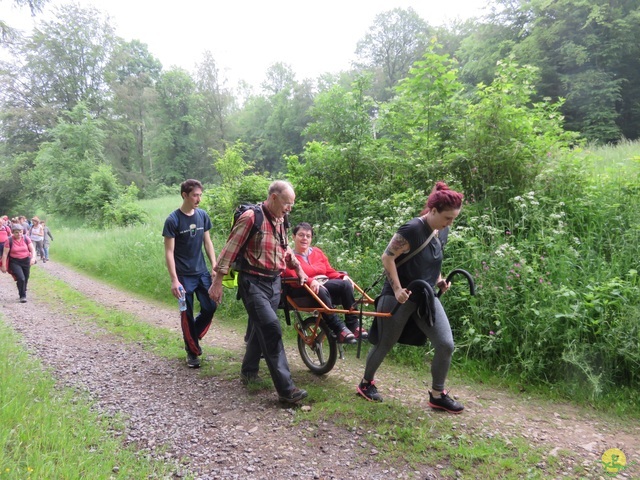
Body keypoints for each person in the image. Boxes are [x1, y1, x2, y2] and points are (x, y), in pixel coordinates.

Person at [356, 181, 465, 414]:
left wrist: (439, 280)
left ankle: (437, 395)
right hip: (398, 297)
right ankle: (366, 383)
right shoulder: (412, 230)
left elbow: (432, 262)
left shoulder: (441, 230)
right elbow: (387, 258)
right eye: (448, 218)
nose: (450, 223)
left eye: (453, 219)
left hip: (424, 297)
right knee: (385, 343)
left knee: (446, 344)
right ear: (432, 211)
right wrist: (396, 289)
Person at [209, 180, 309, 405]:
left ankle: (248, 372)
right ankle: (287, 390)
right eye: (286, 203)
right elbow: (230, 250)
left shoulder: (281, 220)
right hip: (253, 283)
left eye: (291, 205)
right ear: (273, 197)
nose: (289, 209)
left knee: (259, 327)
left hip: (274, 284)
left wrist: (299, 269)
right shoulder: (251, 218)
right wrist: (217, 282)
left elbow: (285, 249)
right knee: (271, 329)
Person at [163, 179, 218, 368]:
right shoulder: (173, 220)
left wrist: (215, 266)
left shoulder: (202, 216)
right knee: (186, 314)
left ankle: (192, 337)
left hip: (202, 272)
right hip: (183, 276)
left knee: (211, 306)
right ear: (184, 195)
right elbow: (169, 252)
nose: (198, 199)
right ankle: (192, 352)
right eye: (195, 195)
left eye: (200, 195)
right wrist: (174, 280)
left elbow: (207, 242)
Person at [283, 222, 369, 344]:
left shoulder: (317, 252)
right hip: (300, 287)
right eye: (301, 235)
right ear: (293, 237)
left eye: (308, 236)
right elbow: (291, 274)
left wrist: (342, 277)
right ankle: (339, 329)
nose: (304, 238)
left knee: (346, 285)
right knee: (320, 289)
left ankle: (353, 325)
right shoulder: (288, 255)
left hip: (322, 283)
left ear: (311, 238)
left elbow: (329, 271)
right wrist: (311, 280)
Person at [1, 223, 37, 303]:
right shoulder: (9, 240)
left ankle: (22, 288)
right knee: (21, 278)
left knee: (26, 278)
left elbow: (32, 249)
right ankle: (22, 296)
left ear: (23, 231)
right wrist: (3, 265)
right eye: (16, 232)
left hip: (26, 260)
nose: (19, 234)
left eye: (20, 232)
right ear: (13, 232)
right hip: (15, 262)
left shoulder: (26, 238)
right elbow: (5, 254)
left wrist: (33, 258)